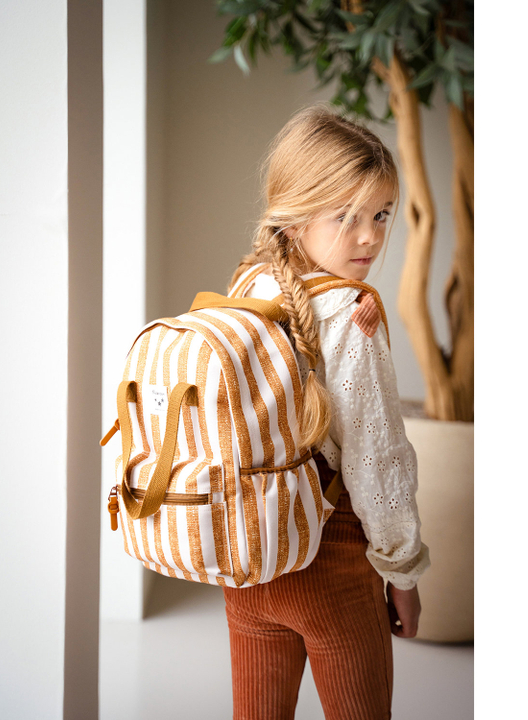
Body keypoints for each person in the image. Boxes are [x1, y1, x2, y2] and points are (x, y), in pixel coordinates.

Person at [222, 104, 430, 720]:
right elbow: (376, 463)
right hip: (329, 557)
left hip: (247, 555)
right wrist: (404, 575)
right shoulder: (351, 316)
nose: (370, 236)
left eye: (381, 214)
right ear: (295, 216)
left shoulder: (246, 287)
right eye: (346, 216)